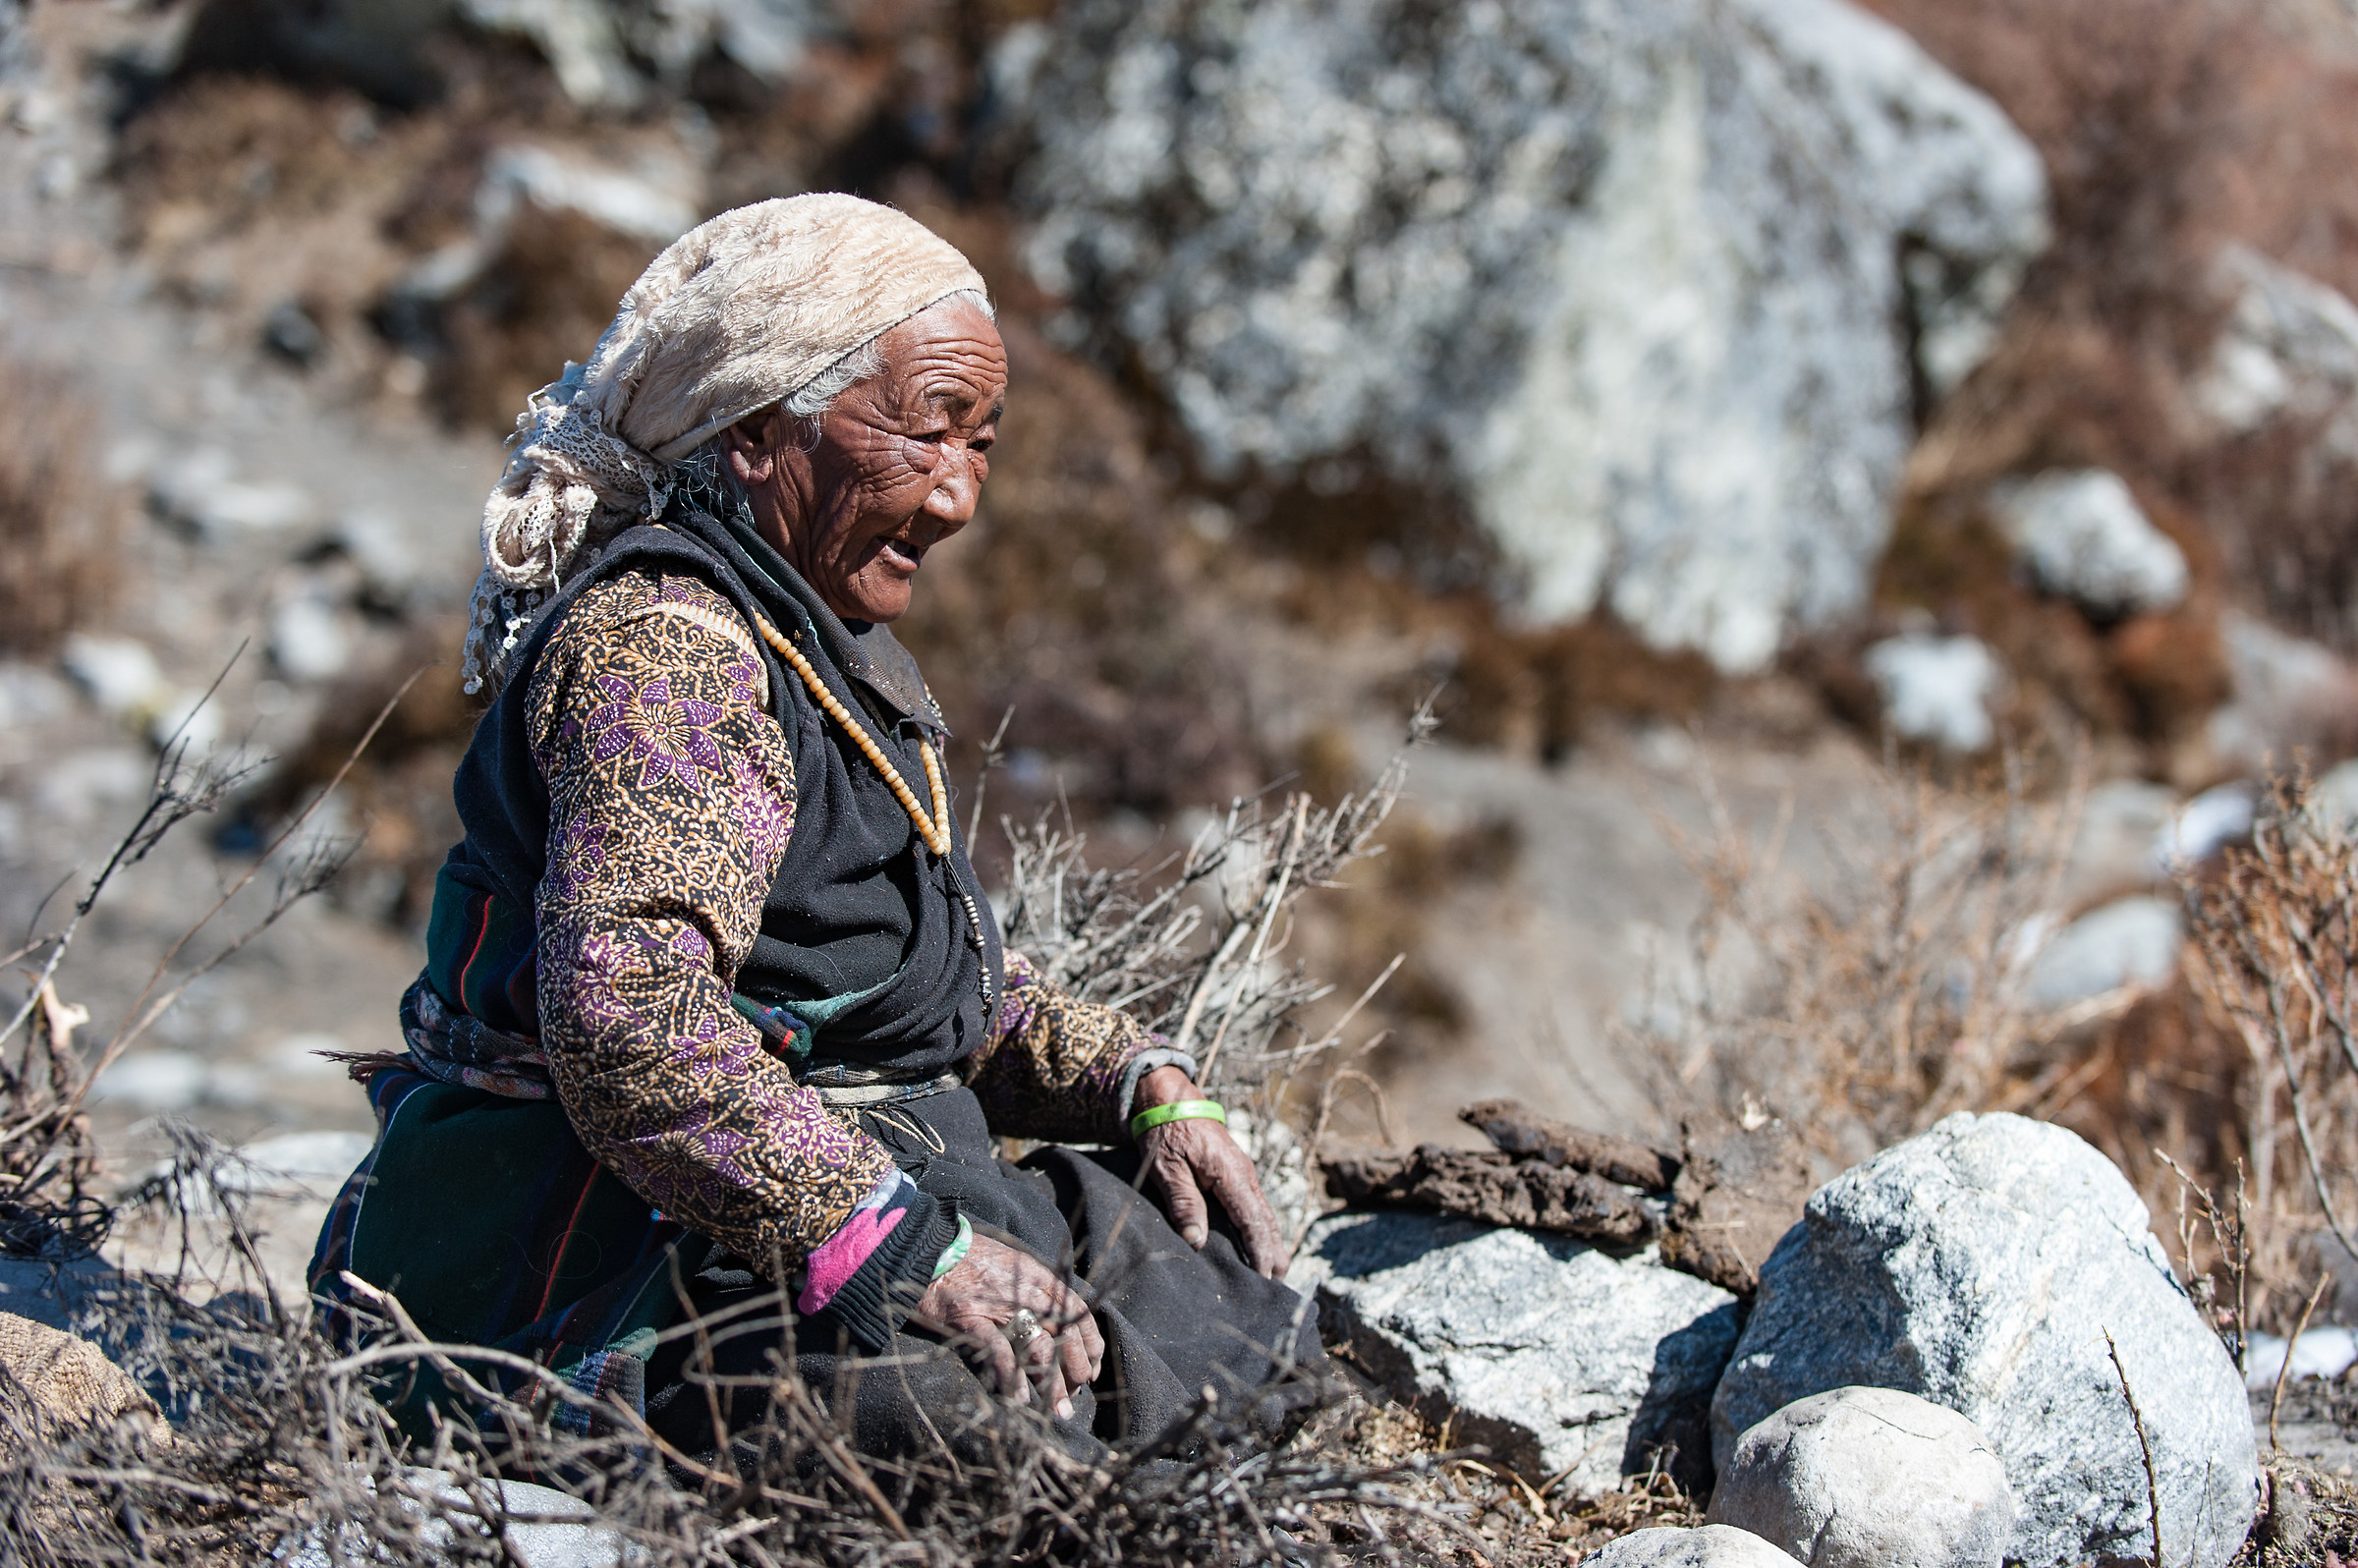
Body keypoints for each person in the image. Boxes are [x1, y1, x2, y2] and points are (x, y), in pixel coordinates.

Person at [309, 194, 1322, 1464]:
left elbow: (901, 985)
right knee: (981, 1427)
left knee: (1221, 1306)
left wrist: (1140, 1084)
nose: (956, 498)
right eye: (925, 433)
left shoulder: (813, 639)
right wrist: (897, 1252)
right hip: (608, 1248)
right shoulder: (666, 652)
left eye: (984, 442)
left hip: (852, 1181)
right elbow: (633, 1021)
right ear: (753, 433)